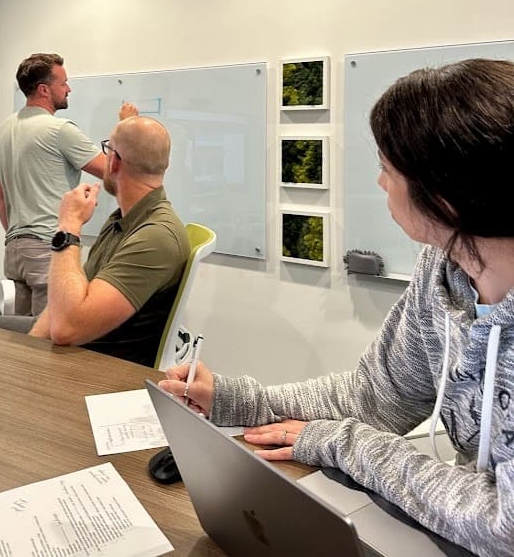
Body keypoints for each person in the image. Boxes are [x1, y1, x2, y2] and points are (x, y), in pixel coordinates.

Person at [160, 58, 514, 557]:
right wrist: (237, 400)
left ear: (446, 198)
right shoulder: (443, 268)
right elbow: (378, 395)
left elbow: (505, 524)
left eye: (389, 169)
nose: (380, 183)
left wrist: (338, 442)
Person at [0, 115, 190, 367]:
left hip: (91, 362)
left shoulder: (156, 237)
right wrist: (31, 348)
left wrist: (69, 225)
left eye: (107, 149)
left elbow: (67, 328)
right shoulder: (123, 220)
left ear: (115, 162)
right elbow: (65, 303)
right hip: (71, 346)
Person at [0, 52, 136, 315]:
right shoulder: (60, 130)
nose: (68, 89)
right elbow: (114, 171)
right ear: (44, 89)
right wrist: (128, 126)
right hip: (48, 249)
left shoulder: (1, 133)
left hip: (14, 250)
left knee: (19, 340)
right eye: (63, 83)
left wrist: (21, 233)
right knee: (51, 338)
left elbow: (0, 197)